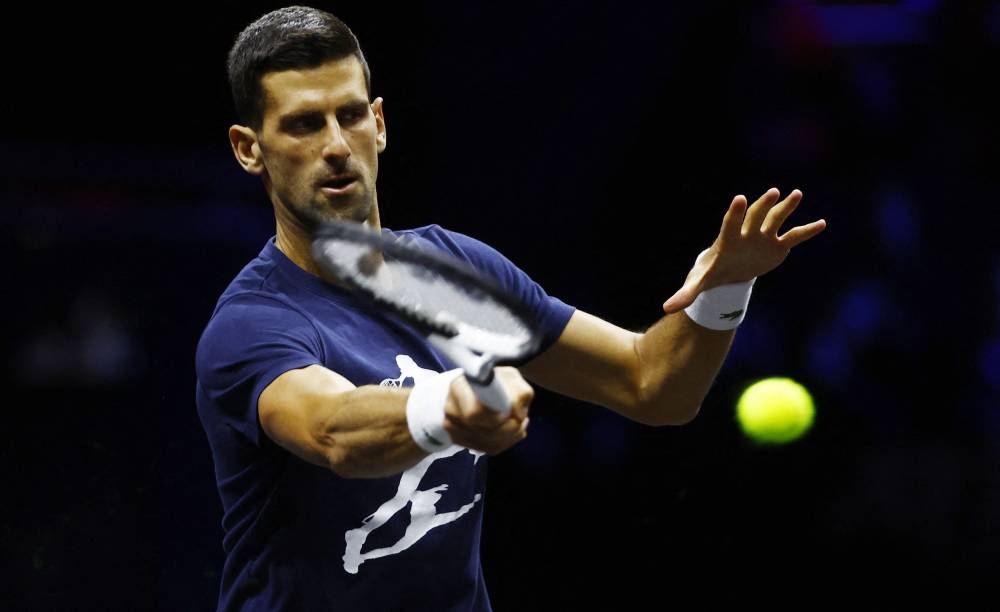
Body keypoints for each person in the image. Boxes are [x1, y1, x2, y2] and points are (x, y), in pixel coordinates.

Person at [194, 5, 827, 611]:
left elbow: (652, 386)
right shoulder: (254, 322)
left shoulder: (452, 276)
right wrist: (448, 407)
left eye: (351, 115)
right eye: (305, 124)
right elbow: (331, 429)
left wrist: (723, 292)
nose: (336, 145)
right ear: (249, 149)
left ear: (380, 124)